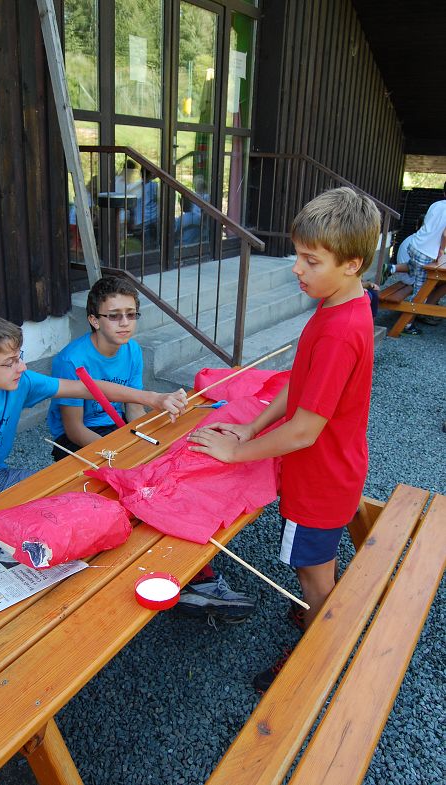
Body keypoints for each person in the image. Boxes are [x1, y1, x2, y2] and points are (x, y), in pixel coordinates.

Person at [188, 187, 381, 690]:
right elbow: (299, 379)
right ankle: (320, 615)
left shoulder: (339, 330)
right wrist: (253, 426)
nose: (297, 269)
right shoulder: (341, 302)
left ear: (352, 264)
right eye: (298, 255)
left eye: (311, 260)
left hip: (319, 479)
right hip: (334, 468)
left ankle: (319, 655)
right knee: (314, 562)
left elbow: (303, 431)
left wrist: (236, 451)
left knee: (313, 573)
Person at [49, 275, 257, 623]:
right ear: (94, 320)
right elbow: (73, 428)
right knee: (134, 495)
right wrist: (123, 455)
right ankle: (164, 575)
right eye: (114, 315)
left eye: (131, 314)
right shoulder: (70, 360)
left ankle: (190, 572)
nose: (125, 323)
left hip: (117, 432)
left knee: (168, 480)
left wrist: (143, 439)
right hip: (80, 440)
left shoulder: (131, 349)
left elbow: (134, 407)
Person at [0, 312, 186, 530]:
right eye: (10, 362)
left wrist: (153, 397)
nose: (22, 367)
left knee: (71, 501)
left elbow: (87, 388)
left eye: (20, 356)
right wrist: (3, 525)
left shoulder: (20, 383)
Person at [395, 183, 446, 334]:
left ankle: (391, 269)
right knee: (421, 292)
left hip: (415, 244)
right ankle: (406, 325)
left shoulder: (436, 204)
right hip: (426, 253)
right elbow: (445, 234)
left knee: (414, 267)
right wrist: (441, 250)